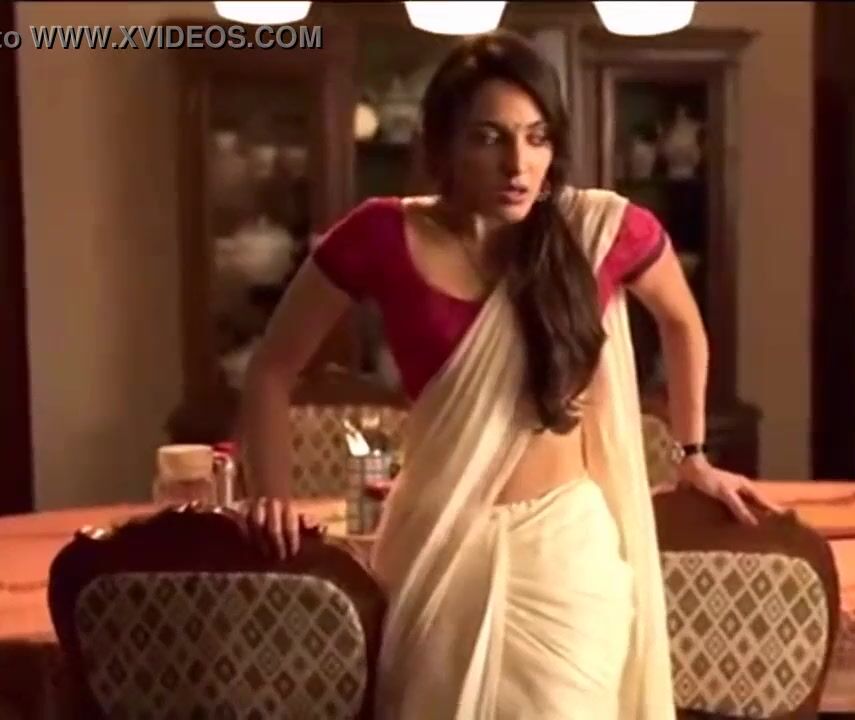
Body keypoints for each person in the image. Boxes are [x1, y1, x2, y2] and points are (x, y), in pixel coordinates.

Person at [236, 30, 781, 720]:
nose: (517, 164)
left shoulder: (596, 229)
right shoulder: (381, 235)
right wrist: (273, 492)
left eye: (536, 137)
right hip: (439, 541)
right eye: (489, 138)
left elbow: (683, 323)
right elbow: (271, 368)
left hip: (564, 559)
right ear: (443, 145)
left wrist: (692, 454)